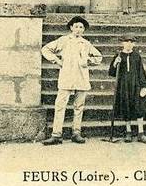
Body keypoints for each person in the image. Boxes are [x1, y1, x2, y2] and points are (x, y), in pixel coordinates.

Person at [41, 16, 103, 145]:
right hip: (67, 76)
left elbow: (98, 56)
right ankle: (56, 134)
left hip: (81, 77)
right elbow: (45, 49)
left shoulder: (86, 44)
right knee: (60, 105)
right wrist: (57, 61)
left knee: (79, 106)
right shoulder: (64, 40)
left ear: (84, 30)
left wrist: (88, 61)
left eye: (81, 27)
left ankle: (76, 133)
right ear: (71, 28)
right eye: (76, 27)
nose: (78, 29)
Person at [110, 35, 146, 144]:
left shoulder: (136, 56)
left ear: (134, 44)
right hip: (124, 86)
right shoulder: (118, 55)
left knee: (139, 108)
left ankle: (141, 133)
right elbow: (112, 73)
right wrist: (115, 63)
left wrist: (143, 87)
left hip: (135, 85)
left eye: (131, 42)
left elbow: (141, 72)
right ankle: (128, 131)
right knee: (126, 107)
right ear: (122, 43)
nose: (128, 44)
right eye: (126, 41)